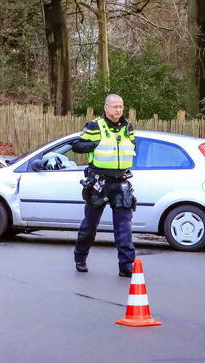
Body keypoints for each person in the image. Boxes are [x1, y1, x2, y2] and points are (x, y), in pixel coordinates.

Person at [72, 93, 137, 277]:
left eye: (121, 106)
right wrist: (95, 144)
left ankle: (126, 266)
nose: (118, 110)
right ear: (106, 107)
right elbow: (76, 145)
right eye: (115, 106)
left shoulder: (128, 128)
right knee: (90, 225)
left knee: (124, 227)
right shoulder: (95, 126)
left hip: (121, 182)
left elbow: (132, 147)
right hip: (99, 181)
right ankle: (80, 257)